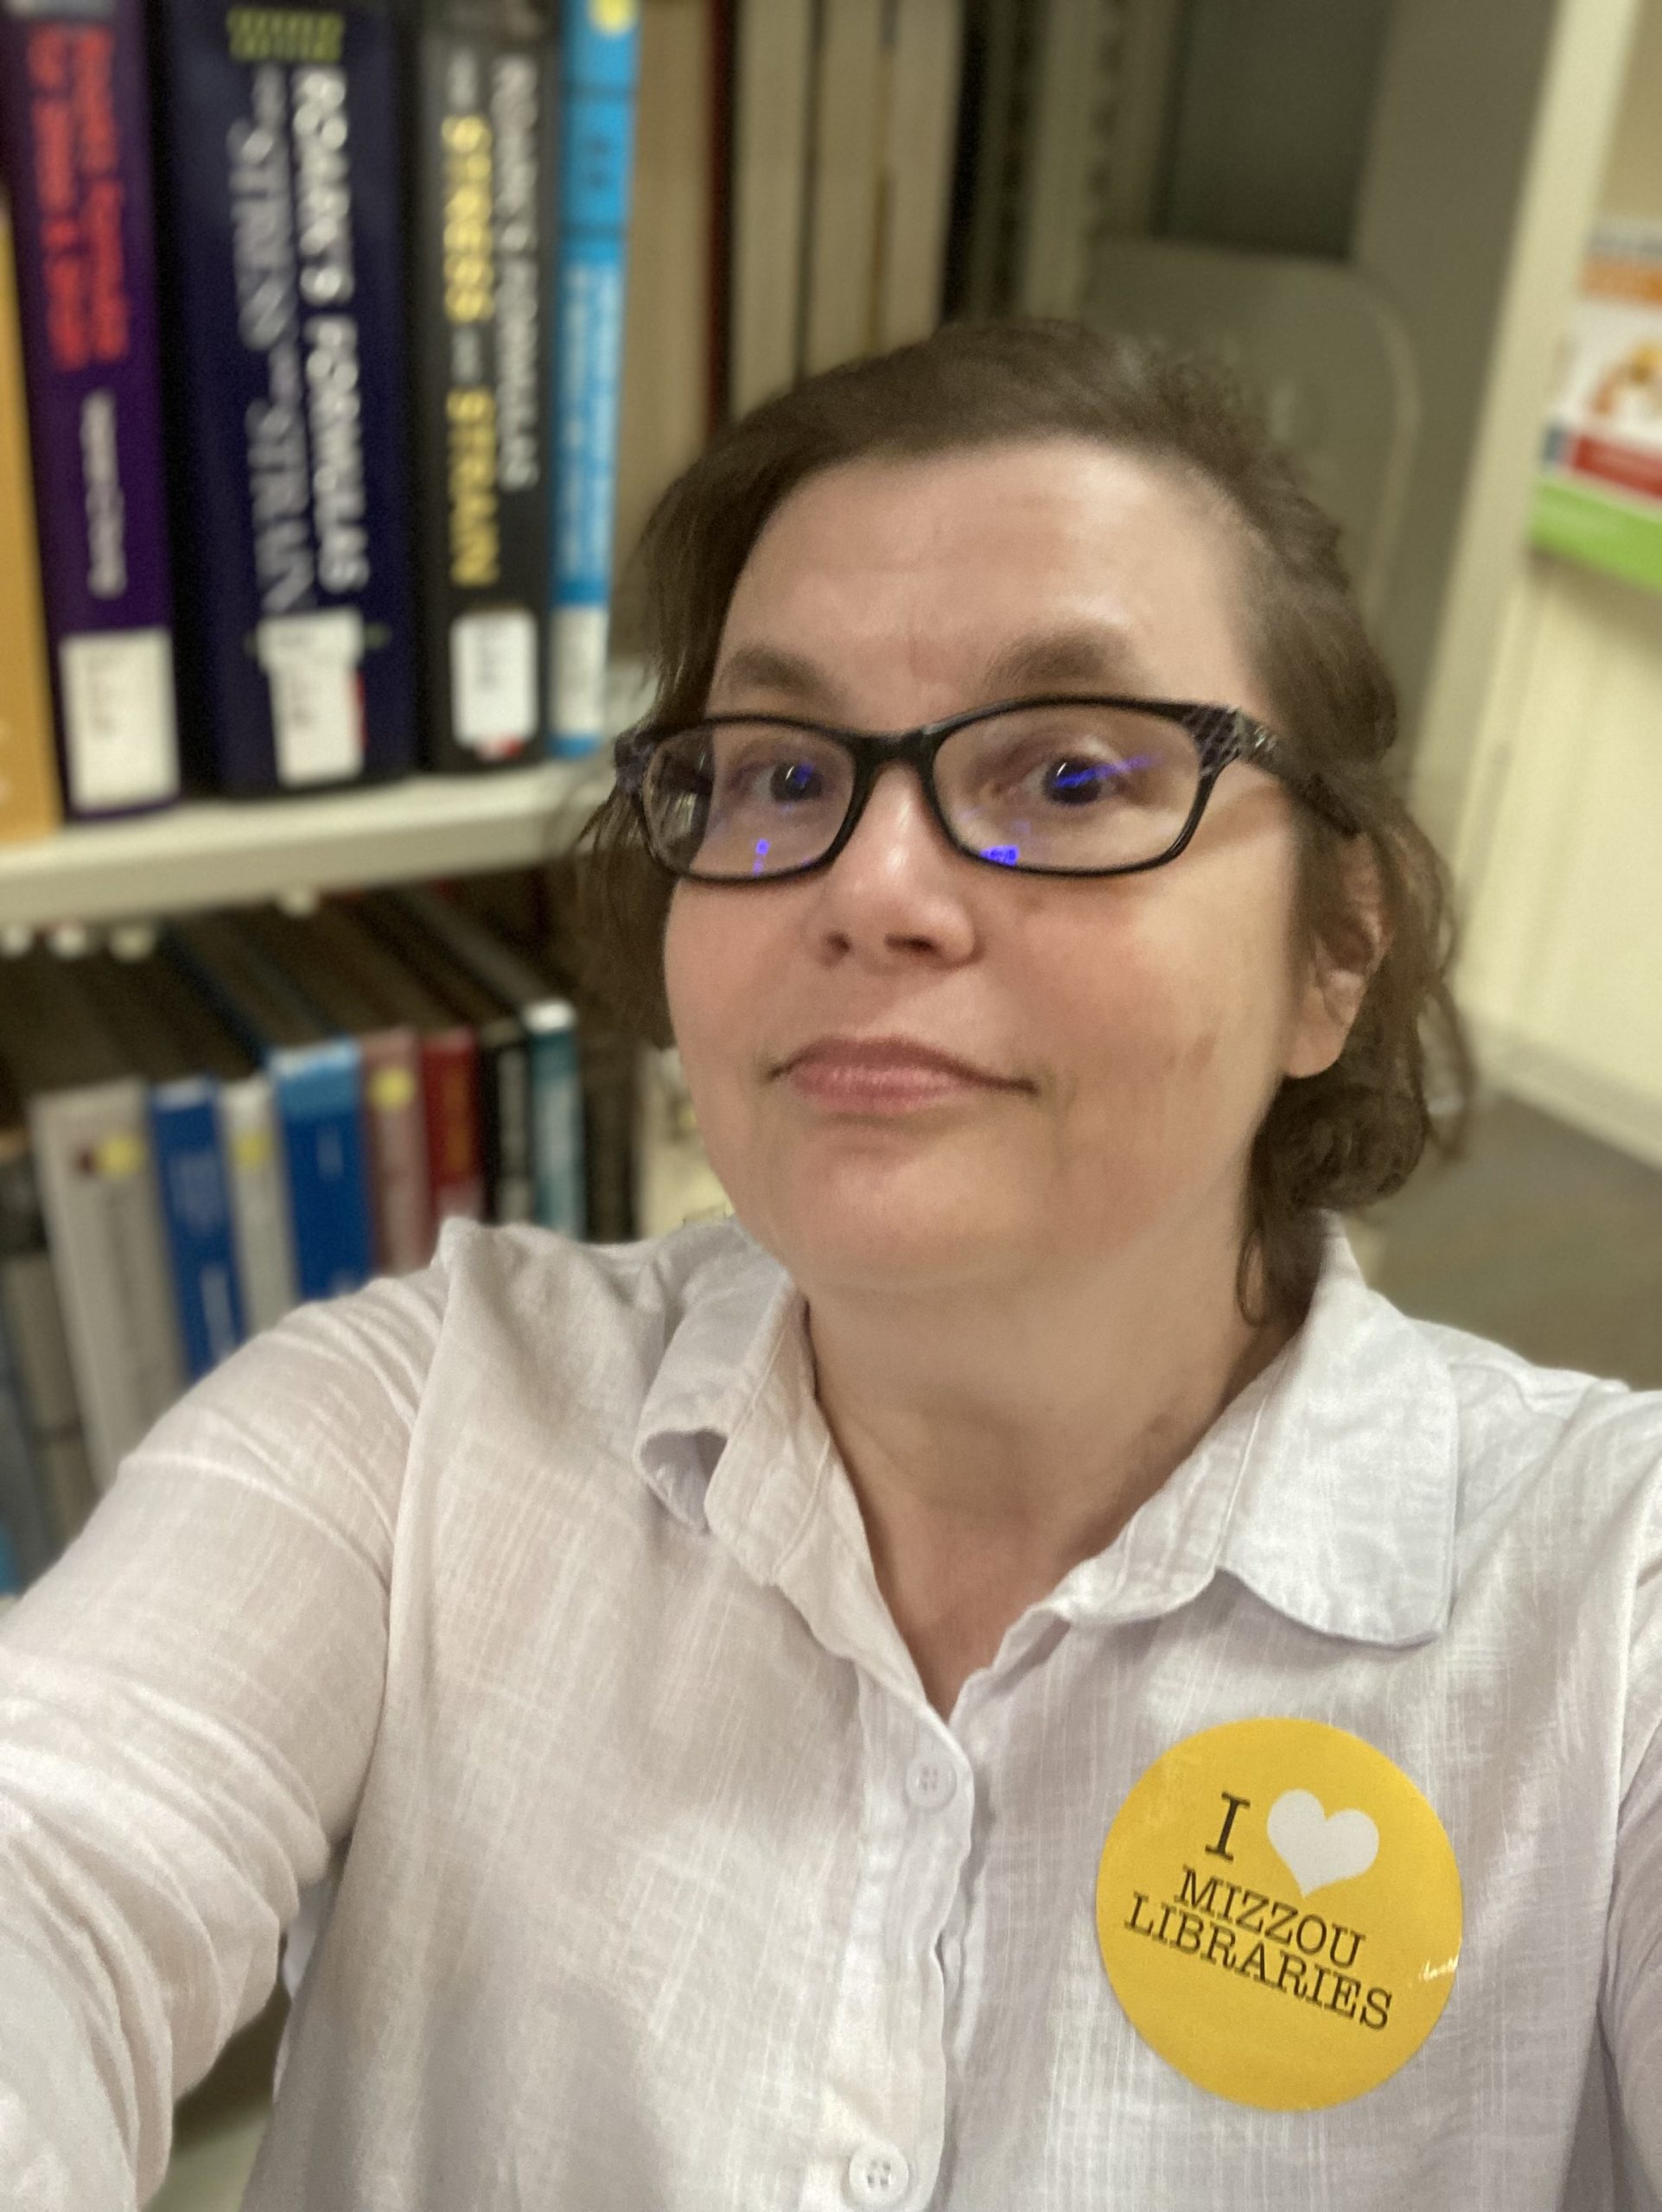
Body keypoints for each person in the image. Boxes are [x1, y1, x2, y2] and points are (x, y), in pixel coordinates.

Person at [1, 320, 1659, 2212]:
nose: (867, 888)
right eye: (779, 777)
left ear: (1333, 951)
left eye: (1070, 776)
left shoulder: (1601, 1613)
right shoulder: (417, 1421)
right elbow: (47, 1853)